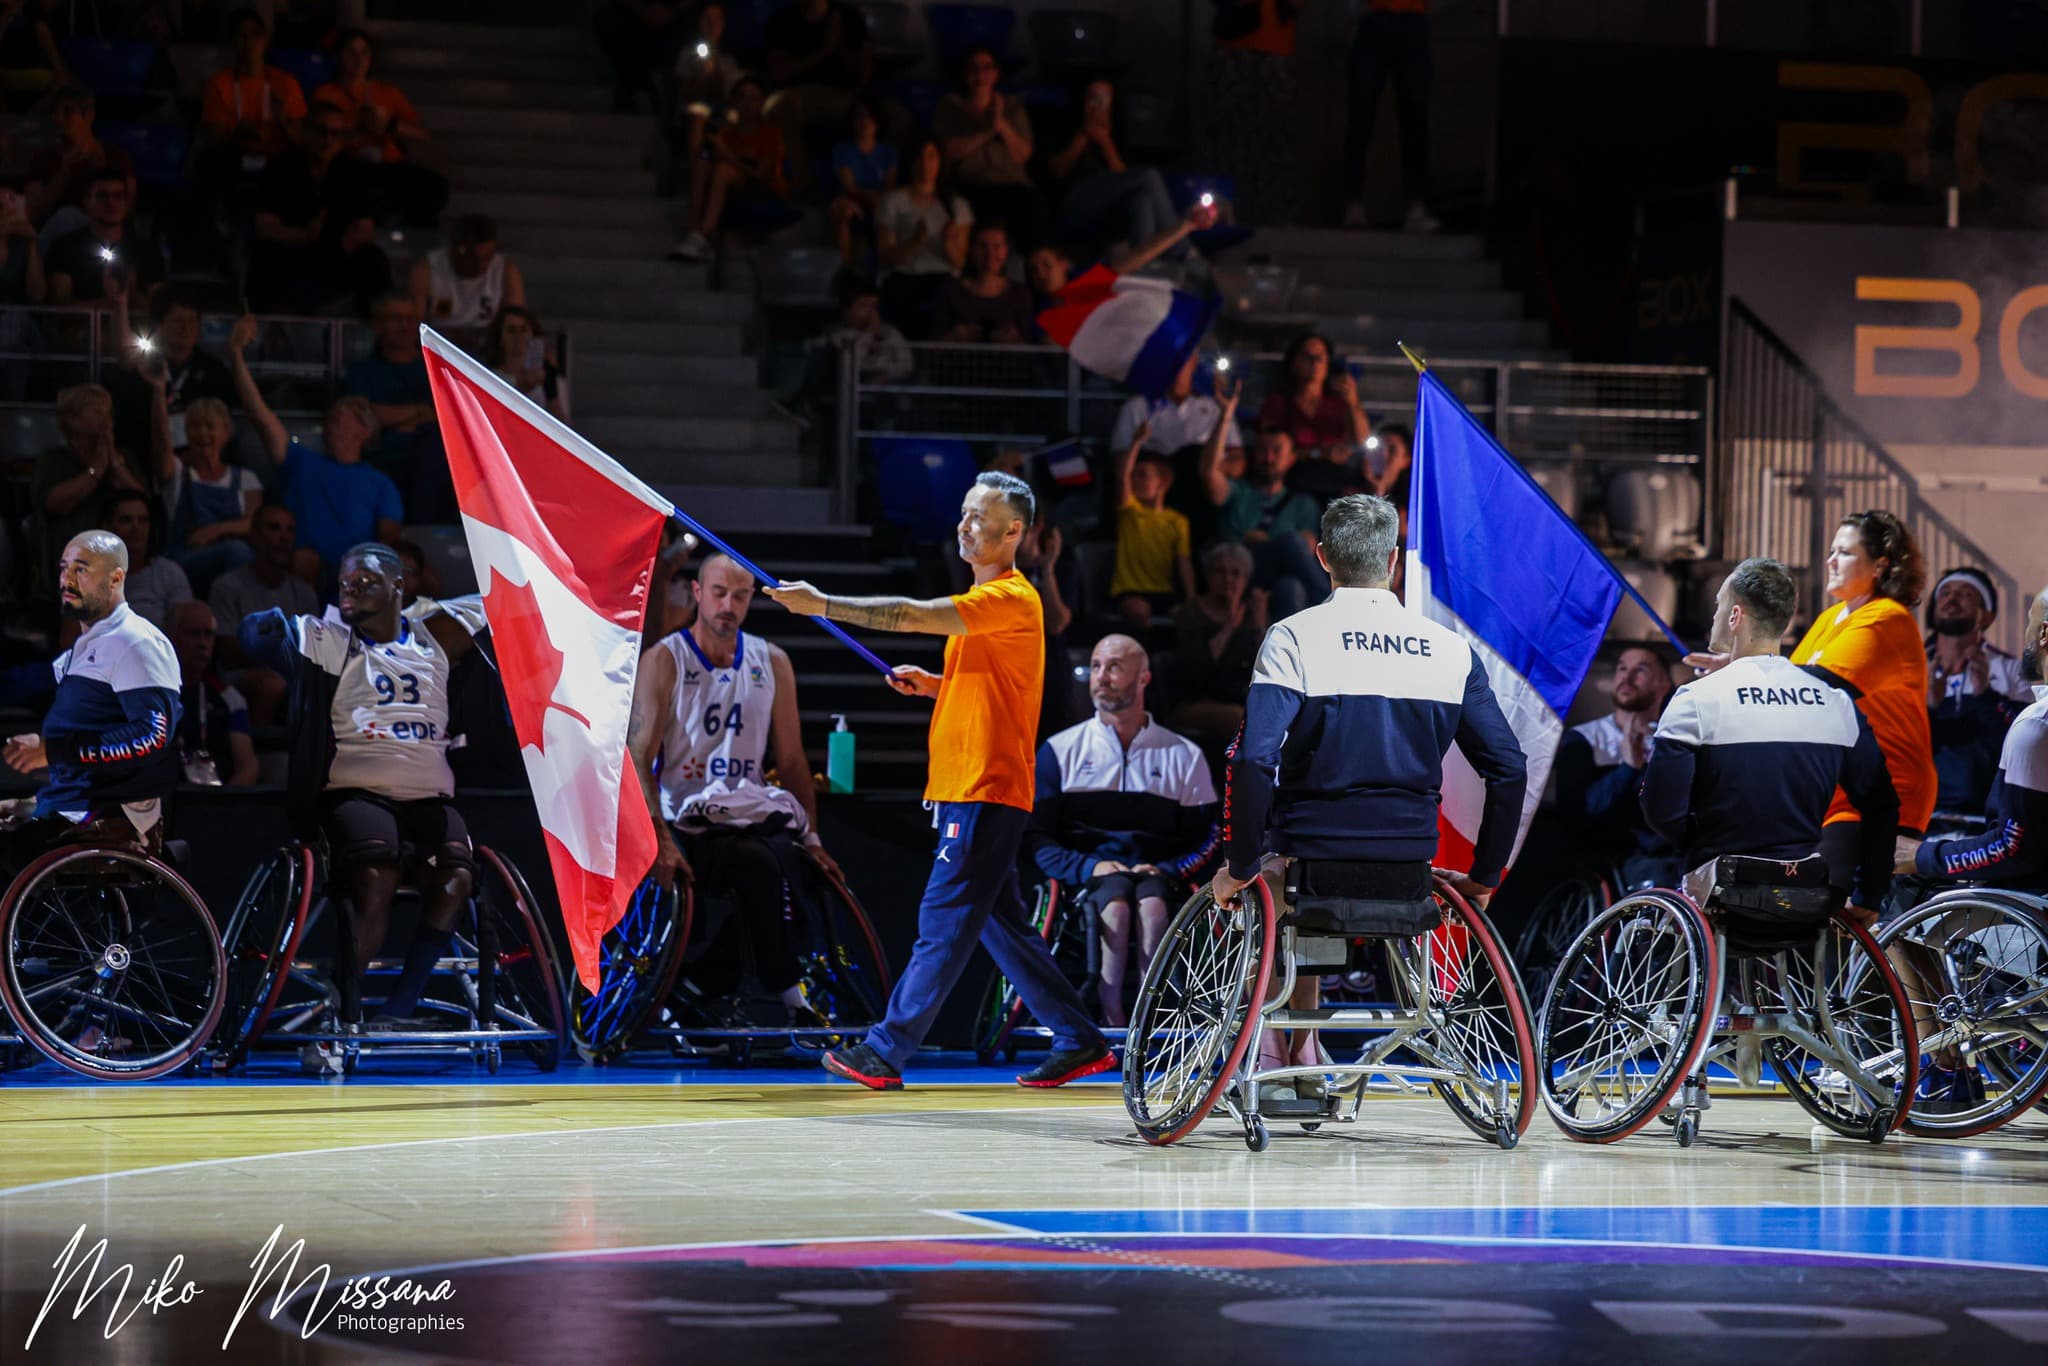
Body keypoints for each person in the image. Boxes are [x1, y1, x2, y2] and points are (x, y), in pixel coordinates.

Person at [766, 472, 1113, 1090]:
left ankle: (885, 1050)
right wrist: (935, 685)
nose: (965, 525)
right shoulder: (990, 609)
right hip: (971, 787)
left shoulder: (1011, 598)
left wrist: (822, 605)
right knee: (1001, 924)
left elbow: (909, 614)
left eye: (980, 517)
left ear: (1014, 532)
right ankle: (1081, 1040)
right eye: (963, 513)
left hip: (985, 787)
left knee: (944, 917)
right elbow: (995, 687)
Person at [1210, 493, 1525, 1089]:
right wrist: (1486, 875)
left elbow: (1253, 760)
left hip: (1311, 862)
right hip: (1408, 867)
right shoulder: (1450, 649)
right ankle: (1304, 1050)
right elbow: (1508, 769)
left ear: (1321, 556)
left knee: (1266, 883)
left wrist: (1239, 863)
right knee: (1287, 882)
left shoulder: (1293, 637)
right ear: (1394, 562)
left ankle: (1283, 1056)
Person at [238, 544, 485, 1072]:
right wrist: (273, 625)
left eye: (366, 580)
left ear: (400, 587)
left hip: (428, 795)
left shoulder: (434, 636)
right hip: (355, 791)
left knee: (458, 874)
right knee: (377, 870)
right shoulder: (330, 639)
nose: (349, 586)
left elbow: (504, 601)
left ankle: (400, 1006)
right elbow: (255, 634)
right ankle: (345, 1008)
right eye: (345, 579)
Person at [628, 553, 843, 1022]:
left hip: (750, 813)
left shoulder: (774, 662)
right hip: (686, 820)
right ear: (698, 594)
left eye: (740, 595)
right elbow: (637, 755)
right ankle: (793, 999)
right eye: (719, 593)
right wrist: (659, 839)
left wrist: (814, 839)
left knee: (792, 865)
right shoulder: (666, 659)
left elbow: (789, 760)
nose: (729, 604)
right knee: (759, 865)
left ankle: (703, 981)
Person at [1647, 557, 1899, 924]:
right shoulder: (1835, 702)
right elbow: (1882, 805)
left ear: (1735, 616)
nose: (1715, 615)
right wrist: (1870, 893)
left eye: (1718, 605)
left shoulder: (1694, 698)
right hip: (1804, 884)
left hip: (1721, 882)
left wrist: (1701, 844)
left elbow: (1661, 811)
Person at [1894, 588, 2048, 1112]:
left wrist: (1922, 856)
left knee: (1899, 911)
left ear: (2044, 635)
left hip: (2034, 910)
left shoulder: (2034, 727)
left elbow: (2012, 846)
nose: (2022, 638)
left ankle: (1943, 1075)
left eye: (2028, 624)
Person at [1027, 634, 1220, 1026]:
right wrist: (1085, 869)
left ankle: (1152, 1017)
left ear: (1143, 678)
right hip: (1091, 874)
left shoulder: (1183, 754)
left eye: (1114, 667)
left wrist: (1171, 869)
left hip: (1160, 873)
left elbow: (1210, 837)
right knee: (1114, 903)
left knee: (1152, 906)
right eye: (1095, 667)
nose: (1101, 677)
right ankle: (1110, 1016)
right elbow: (1037, 838)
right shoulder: (1059, 751)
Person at [1775, 511, 1935, 900]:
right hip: (1832, 795)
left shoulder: (1886, 618)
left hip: (1880, 795)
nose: (1830, 561)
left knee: (1829, 919)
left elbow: (1816, 685)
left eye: (1844, 552)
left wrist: (1746, 671)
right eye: (1831, 551)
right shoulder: (1831, 617)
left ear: (1880, 564)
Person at [2, 530, 182, 864]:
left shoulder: (136, 642)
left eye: (80, 570)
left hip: (112, 817)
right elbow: (93, 731)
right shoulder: (88, 646)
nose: (66, 580)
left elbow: (152, 736)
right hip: (72, 804)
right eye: (63, 568)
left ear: (116, 578)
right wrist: (45, 744)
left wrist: (55, 750)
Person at [230, 325, 403, 580]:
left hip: (357, 577)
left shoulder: (380, 484)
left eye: (339, 419)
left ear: (365, 430)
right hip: (299, 571)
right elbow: (261, 418)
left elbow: (389, 537)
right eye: (329, 419)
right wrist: (236, 355)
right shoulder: (301, 462)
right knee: (304, 560)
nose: (328, 425)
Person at [247, 101, 390, 315]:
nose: (328, 140)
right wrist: (303, 235)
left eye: (336, 134)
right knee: (264, 258)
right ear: (306, 132)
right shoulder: (281, 167)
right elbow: (265, 226)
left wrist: (339, 246)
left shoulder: (355, 172)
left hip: (338, 253)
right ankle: (267, 331)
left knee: (373, 260)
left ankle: (371, 335)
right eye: (322, 132)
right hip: (291, 249)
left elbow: (365, 228)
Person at [1551, 645, 1678, 886]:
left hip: (1670, 852)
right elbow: (1576, 814)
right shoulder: (1586, 738)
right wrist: (1628, 767)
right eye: (1622, 669)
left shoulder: (1675, 741)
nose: (1627, 678)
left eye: (1640, 670)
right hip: (1614, 859)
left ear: (1664, 684)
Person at [1200, 380, 1325, 616]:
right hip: (1238, 576)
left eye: (1277, 450)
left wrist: (1264, 540)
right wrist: (1226, 415)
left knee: (1291, 587)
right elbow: (1209, 472)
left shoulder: (1303, 504)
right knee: (1288, 541)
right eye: (1262, 450)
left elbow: (1305, 548)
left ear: (1291, 458)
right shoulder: (1238, 492)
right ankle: (1330, 606)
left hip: (1282, 577)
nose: (1268, 457)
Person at [1924, 566, 2033, 818]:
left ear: (1986, 616)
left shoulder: (2012, 671)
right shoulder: (1908, 668)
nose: (1951, 600)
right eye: (1945, 593)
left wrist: (1986, 695)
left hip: (1984, 822)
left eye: (1966, 595)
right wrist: (1928, 708)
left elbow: (2024, 745)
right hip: (1920, 818)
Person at [312, 27, 447, 227]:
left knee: (435, 188)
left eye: (364, 52)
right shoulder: (326, 93)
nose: (358, 59)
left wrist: (390, 126)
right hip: (350, 162)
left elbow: (422, 133)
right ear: (340, 56)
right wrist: (359, 128)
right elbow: (317, 136)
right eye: (351, 52)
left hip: (387, 163)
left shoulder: (387, 92)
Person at [1045, 78, 1180, 260]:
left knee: (1142, 200)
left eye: (1102, 98)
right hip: (1076, 199)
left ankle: (1144, 264)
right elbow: (1057, 171)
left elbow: (1122, 175)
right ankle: (1180, 249)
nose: (1097, 104)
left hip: (1111, 206)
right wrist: (1082, 137)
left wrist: (1105, 141)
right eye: (1092, 97)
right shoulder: (1067, 123)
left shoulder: (1117, 129)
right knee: (1150, 176)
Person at [207, 500, 316, 723]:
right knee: (271, 684)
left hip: (291, 671)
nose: (283, 537)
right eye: (274, 528)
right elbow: (228, 649)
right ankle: (257, 752)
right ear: (254, 536)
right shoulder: (227, 586)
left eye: (289, 530)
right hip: (239, 674)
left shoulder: (304, 592)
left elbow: (314, 648)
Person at [108, 289, 237, 466]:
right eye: (178, 320)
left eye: (192, 321)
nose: (186, 327)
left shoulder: (215, 371)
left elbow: (223, 425)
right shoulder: (143, 367)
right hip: (145, 460)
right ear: (160, 326)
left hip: (199, 464)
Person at [670, 76, 791, 263]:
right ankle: (695, 232)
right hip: (730, 193)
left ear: (762, 102)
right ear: (734, 101)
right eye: (742, 97)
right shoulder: (726, 133)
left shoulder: (770, 134)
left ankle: (705, 234)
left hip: (764, 192)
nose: (747, 104)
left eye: (754, 98)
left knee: (723, 170)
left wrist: (727, 155)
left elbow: (761, 175)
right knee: (703, 163)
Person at [34, 383, 152, 573]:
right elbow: (53, 502)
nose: (108, 420)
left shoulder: (125, 459)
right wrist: (96, 471)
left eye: (110, 413)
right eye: (98, 412)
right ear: (72, 419)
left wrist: (113, 461)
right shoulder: (53, 462)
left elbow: (142, 501)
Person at [1343, 0, 1437, 234]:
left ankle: (1416, 204)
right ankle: (1353, 202)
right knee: (1361, 112)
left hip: (1413, 19)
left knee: (1414, 113)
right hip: (1374, 17)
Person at [1204, 0, 1299, 227]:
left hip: (1275, 49)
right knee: (1231, 138)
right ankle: (1227, 211)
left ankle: (1273, 215)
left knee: (1274, 141)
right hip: (1235, 46)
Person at [159, 393, 263, 593]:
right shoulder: (180, 473)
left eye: (209, 426)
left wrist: (215, 530)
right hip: (185, 558)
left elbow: (254, 524)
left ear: (226, 432)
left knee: (240, 552)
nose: (202, 433)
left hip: (233, 561)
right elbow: (162, 449)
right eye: (195, 427)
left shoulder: (245, 478)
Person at [932, 46, 1039, 242]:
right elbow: (948, 151)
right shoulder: (951, 105)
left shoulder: (1012, 106)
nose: (980, 74)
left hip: (1011, 184)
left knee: (1032, 206)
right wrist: (988, 132)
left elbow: (1023, 154)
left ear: (996, 74)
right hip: (971, 183)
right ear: (965, 74)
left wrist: (1001, 125)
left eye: (986, 68)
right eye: (974, 68)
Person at [873, 137, 970, 339]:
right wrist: (915, 241)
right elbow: (886, 255)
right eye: (919, 157)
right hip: (904, 277)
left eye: (931, 157)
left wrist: (949, 242)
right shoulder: (892, 201)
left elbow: (960, 261)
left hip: (942, 279)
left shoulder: (956, 204)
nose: (925, 163)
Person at [1170, 541, 1266, 743]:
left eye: (1235, 573)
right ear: (1208, 576)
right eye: (1219, 572)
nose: (1227, 579)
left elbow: (1266, 667)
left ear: (1246, 580)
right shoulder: (1189, 613)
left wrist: (1259, 625)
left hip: (1238, 698)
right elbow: (1197, 671)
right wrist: (1229, 627)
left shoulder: (1251, 613)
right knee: (1239, 718)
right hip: (1196, 701)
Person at [1107, 419, 1193, 630]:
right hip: (1130, 591)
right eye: (1134, 475)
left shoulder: (1178, 521)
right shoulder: (1130, 511)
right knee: (1138, 612)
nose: (1135, 480)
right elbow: (1122, 479)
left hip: (1164, 592)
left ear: (1162, 483)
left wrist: (1192, 600)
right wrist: (1136, 442)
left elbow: (1184, 562)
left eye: (1143, 475)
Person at [343, 290, 438, 481]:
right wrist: (420, 411)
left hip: (431, 466)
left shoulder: (433, 370)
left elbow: (441, 416)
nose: (404, 326)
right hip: (376, 465)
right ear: (378, 325)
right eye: (396, 318)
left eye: (410, 319)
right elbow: (362, 415)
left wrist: (391, 420)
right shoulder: (361, 371)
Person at [24, 86, 135, 248]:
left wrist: (99, 169)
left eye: (68, 112)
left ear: (88, 115)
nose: (58, 119)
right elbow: (32, 212)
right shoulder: (43, 159)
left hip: (102, 232)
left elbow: (128, 209)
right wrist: (64, 170)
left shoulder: (114, 157)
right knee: (66, 217)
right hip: (57, 238)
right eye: (55, 113)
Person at [761, 0, 869, 165]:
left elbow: (863, 69)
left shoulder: (848, 17)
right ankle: (800, 184)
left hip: (842, 96)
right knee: (778, 107)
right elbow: (779, 73)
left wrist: (840, 47)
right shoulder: (782, 20)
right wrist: (824, 51)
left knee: (899, 118)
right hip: (796, 95)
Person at [199, 8, 308, 170]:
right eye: (241, 35)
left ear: (265, 40)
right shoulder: (218, 84)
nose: (248, 41)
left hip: (276, 161)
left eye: (254, 34)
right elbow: (214, 140)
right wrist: (238, 133)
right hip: (234, 159)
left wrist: (283, 119)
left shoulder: (286, 83)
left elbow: (302, 140)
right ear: (232, 42)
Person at [1255, 332, 1372, 480]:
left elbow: (1362, 442)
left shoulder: (1339, 403)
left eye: (1320, 357)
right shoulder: (1278, 404)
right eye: (1307, 357)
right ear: (1293, 363)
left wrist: (1352, 400)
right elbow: (1268, 450)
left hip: (1337, 477)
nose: (1315, 363)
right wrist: (1319, 453)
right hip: (1292, 479)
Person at [167, 599, 257, 787]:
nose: (202, 643)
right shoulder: (149, 696)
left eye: (208, 635)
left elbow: (247, 767)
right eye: (193, 633)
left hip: (217, 804)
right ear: (170, 637)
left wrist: (222, 806)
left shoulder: (229, 698)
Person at [44, 169, 162, 309]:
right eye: (102, 196)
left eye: (118, 196)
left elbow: (161, 308)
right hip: (81, 330)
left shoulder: (147, 250)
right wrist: (112, 303)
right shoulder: (65, 247)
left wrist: (131, 292)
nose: (111, 203)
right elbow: (60, 309)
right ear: (87, 201)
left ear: (126, 202)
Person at [407, 214, 524, 350]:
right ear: (457, 251)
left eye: (487, 258)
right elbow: (415, 323)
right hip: (440, 345)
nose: (481, 265)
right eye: (474, 258)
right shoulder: (427, 269)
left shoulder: (505, 270)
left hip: (488, 345)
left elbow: (517, 320)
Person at [105, 489, 192, 629]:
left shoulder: (171, 575)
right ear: (109, 527)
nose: (136, 527)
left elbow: (183, 634)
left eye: (143, 520)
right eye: (126, 520)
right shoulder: (89, 578)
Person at [932, 220, 1032, 343]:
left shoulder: (1020, 294)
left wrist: (1014, 340)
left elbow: (1030, 345)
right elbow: (933, 343)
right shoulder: (950, 291)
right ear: (972, 250)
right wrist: (954, 337)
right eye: (982, 246)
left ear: (1006, 251)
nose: (990, 254)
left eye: (997, 247)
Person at [827, 98, 896, 265]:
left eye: (870, 117)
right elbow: (849, 185)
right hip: (852, 199)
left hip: (880, 200)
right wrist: (866, 197)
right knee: (843, 210)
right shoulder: (843, 149)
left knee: (889, 209)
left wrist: (878, 200)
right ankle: (846, 266)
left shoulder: (889, 152)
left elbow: (889, 185)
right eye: (860, 117)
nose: (865, 122)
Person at [485, 305, 570, 420]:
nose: (519, 335)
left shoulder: (548, 376)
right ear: (500, 338)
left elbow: (564, 425)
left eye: (524, 329)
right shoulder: (490, 378)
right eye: (512, 330)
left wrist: (550, 388)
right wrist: (523, 388)